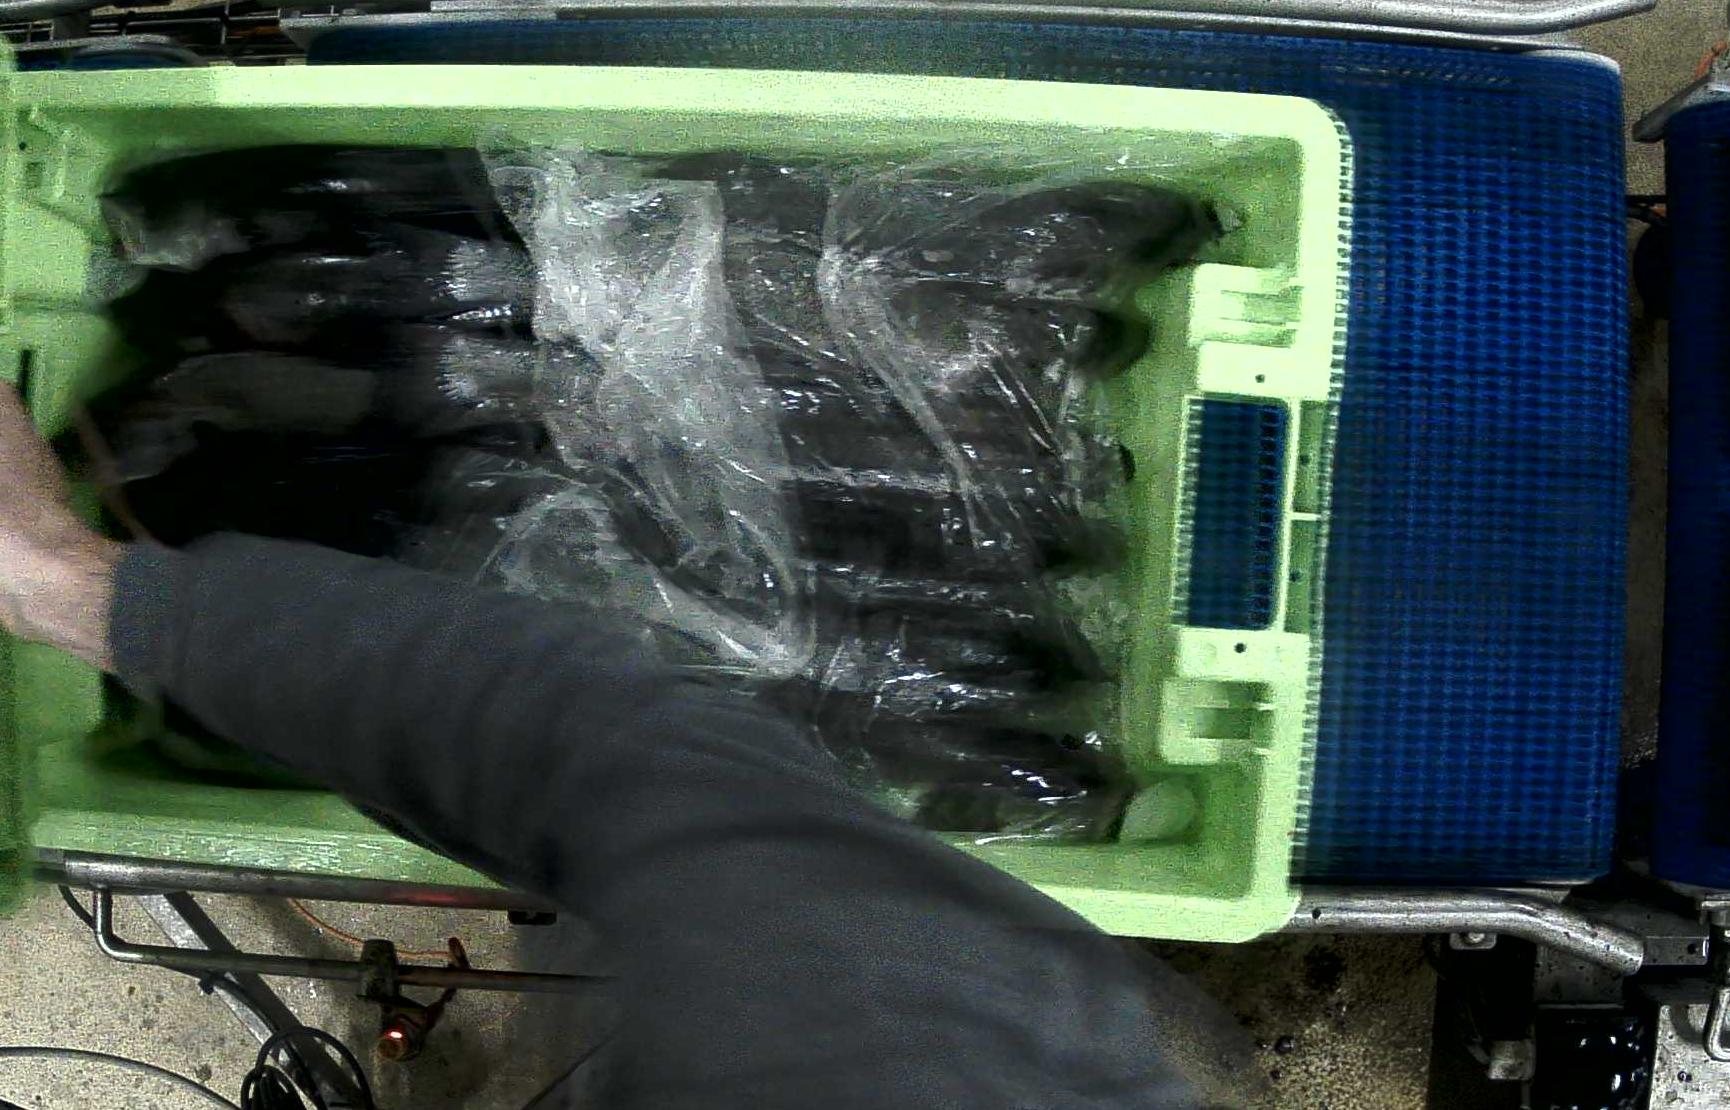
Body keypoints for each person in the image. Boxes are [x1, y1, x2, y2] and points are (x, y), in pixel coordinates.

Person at [0, 383, 1208, 1109]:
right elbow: (609, 761)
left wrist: (75, 585)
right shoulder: (914, 1057)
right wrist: (74, 585)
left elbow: (603, 752)